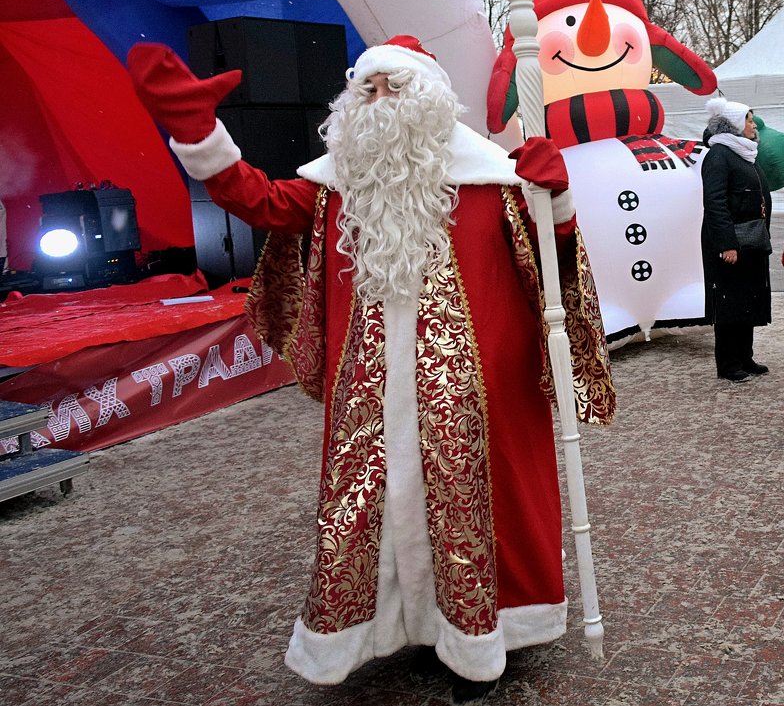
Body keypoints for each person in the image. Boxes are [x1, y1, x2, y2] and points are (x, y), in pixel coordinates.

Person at [126, 36, 616, 704]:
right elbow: (255, 200)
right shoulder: (334, 187)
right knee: (380, 509)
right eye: (369, 90)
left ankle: (477, 642)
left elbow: (553, 274)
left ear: (432, 102)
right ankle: (413, 626)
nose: (380, 103)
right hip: (370, 395)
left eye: (396, 89)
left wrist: (554, 200)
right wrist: (197, 131)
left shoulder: (493, 180)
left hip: (476, 395)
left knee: (472, 505)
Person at [700, 97, 772, 383]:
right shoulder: (719, 155)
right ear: (734, 125)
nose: (754, 125)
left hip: (751, 238)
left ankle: (744, 356)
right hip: (732, 241)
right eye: (749, 120)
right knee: (730, 300)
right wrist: (726, 243)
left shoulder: (743, 152)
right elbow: (715, 202)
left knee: (747, 298)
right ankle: (728, 363)